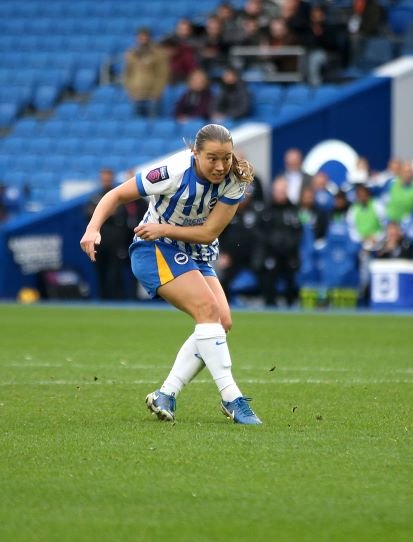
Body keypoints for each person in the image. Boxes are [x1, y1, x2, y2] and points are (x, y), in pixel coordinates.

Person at [79, 124, 262, 425]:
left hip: (193, 250)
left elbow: (208, 233)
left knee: (222, 321)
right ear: (195, 154)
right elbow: (116, 194)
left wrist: (164, 227)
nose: (220, 166)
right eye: (212, 158)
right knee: (207, 310)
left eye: (226, 158)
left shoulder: (235, 180)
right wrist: (92, 228)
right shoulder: (172, 171)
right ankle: (233, 398)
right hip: (154, 250)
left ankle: (166, 394)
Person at [84, 168, 141, 300]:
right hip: (99, 242)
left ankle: (116, 299)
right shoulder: (95, 197)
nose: (106, 180)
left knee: (115, 272)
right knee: (100, 271)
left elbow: (122, 216)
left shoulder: (118, 195)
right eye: (104, 177)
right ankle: (103, 298)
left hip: (116, 242)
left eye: (108, 177)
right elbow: (87, 213)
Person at [258, 177, 302, 306]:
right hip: (271, 252)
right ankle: (269, 305)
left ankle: (291, 305)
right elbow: (260, 231)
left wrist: (290, 245)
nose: (280, 194)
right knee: (268, 275)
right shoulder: (267, 210)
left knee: (291, 276)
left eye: (283, 191)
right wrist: (272, 243)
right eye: (278, 191)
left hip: (290, 253)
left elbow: (299, 231)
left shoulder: (294, 209)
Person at [123, 27, 169, 118]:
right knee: (137, 125)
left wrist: (157, 92)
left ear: (149, 38)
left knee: (153, 122)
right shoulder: (131, 54)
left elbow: (162, 74)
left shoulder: (158, 53)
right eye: (140, 37)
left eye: (145, 37)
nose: (143, 39)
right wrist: (130, 91)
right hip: (136, 94)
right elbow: (127, 74)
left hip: (152, 95)